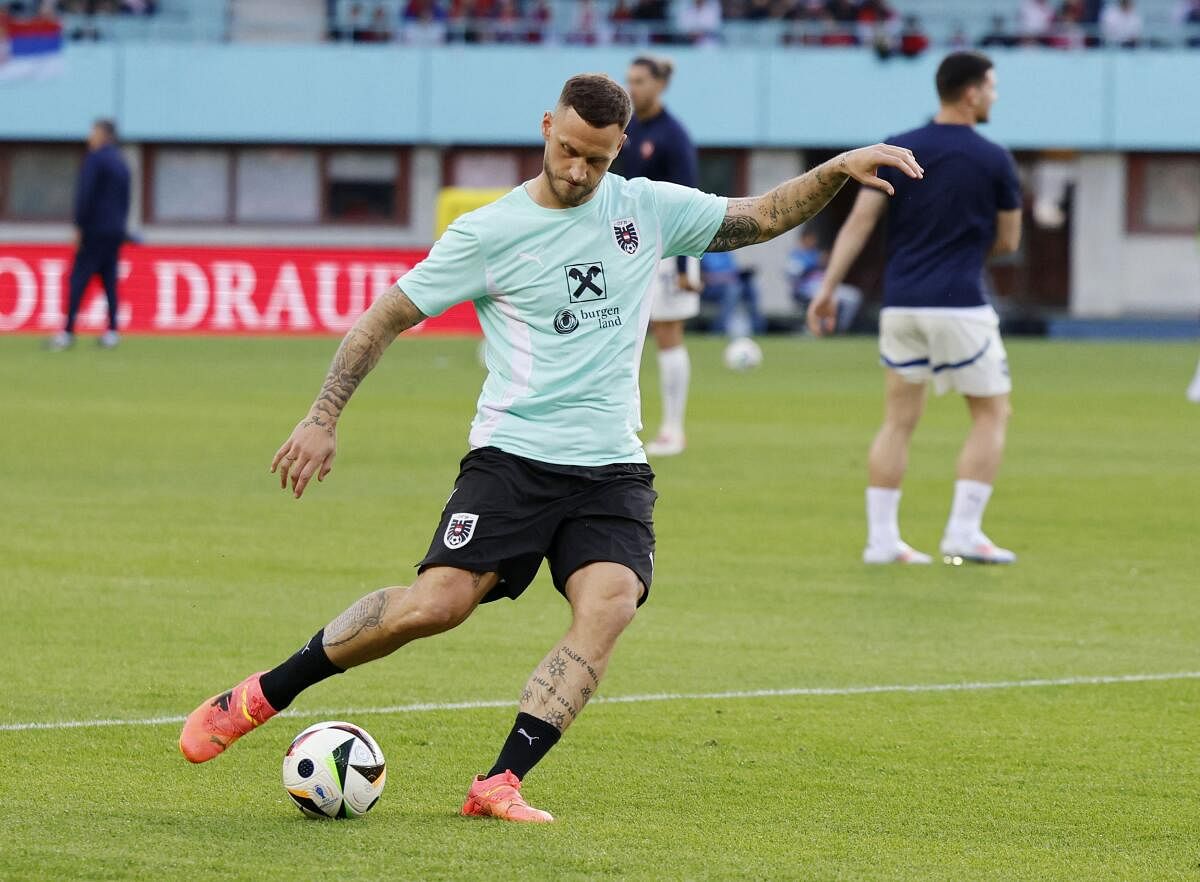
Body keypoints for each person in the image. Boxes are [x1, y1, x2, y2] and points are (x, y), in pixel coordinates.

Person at [177, 73, 921, 822]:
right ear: (546, 127)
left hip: (611, 469)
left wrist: (834, 168)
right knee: (435, 606)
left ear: (619, 149)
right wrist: (321, 415)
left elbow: (757, 217)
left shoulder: (644, 207)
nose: (577, 171)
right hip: (514, 457)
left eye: (596, 159)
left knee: (611, 605)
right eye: (567, 150)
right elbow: (385, 317)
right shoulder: (490, 231)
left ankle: (499, 783)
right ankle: (264, 693)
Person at [807, 51, 1021, 566]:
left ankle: (883, 542)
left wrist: (827, 288)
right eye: (991, 86)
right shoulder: (994, 159)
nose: (995, 95)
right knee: (992, 413)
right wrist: (967, 252)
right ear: (970, 92)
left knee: (898, 420)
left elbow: (859, 222)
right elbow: (1009, 241)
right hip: (961, 305)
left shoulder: (897, 148)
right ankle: (963, 533)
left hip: (899, 304)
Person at [621, 55, 702, 457]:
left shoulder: (674, 136)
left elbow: (690, 202)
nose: (632, 88)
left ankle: (673, 428)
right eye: (629, 81)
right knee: (625, 335)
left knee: (668, 334)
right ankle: (624, 423)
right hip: (627, 246)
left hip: (671, 248)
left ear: (659, 85)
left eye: (639, 81)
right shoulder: (625, 130)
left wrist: (689, 264)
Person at [48, 118, 130, 351]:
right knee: (110, 282)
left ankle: (67, 332)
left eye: (93, 132)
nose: (89, 137)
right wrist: (120, 228)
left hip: (94, 230)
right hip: (114, 231)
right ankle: (112, 331)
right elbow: (126, 200)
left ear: (103, 135)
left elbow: (86, 195)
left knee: (78, 279)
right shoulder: (122, 162)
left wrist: (79, 226)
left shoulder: (95, 160)